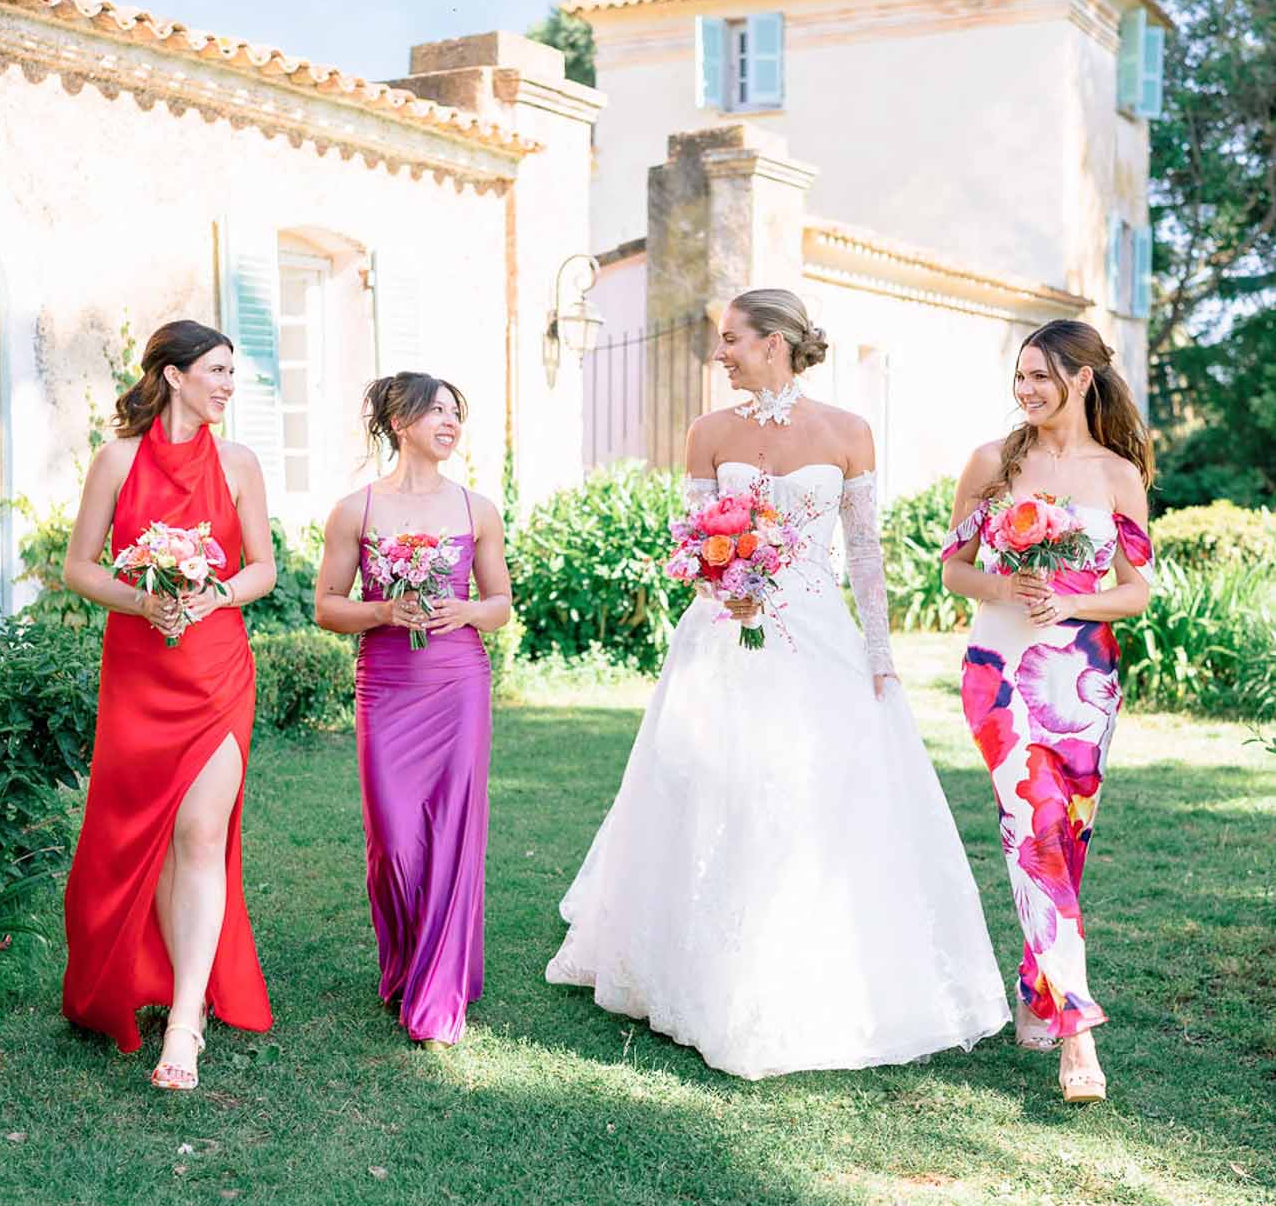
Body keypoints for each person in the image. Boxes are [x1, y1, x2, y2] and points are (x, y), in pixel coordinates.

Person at [547, 288, 1010, 1080]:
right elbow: (692, 542)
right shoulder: (709, 431)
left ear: (775, 342)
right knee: (707, 779)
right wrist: (719, 588)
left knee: (813, 788)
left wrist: (877, 652)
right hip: (724, 633)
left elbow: (862, 551)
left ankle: (805, 956)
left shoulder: (848, 432)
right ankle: (692, 960)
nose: (719, 352)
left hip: (816, 631)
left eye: (731, 338)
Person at [940, 320, 1154, 1105]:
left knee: (1064, 838)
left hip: (1084, 677)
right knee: (1032, 830)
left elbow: (1134, 590)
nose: (1026, 391)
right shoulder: (993, 464)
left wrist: (1068, 597)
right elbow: (954, 569)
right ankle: (1076, 1033)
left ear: (1082, 379)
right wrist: (1004, 587)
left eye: (1040, 377)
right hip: (998, 671)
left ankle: (1039, 988)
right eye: (1019, 377)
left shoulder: (1117, 476)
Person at [62, 320, 276, 1088]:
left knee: (197, 831)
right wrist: (141, 601)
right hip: (138, 672)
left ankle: (185, 1023)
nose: (226, 384)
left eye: (230, 373)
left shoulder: (240, 462)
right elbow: (78, 569)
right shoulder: (116, 460)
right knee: (150, 828)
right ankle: (156, 979)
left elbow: (263, 569)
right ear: (174, 374)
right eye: (216, 370)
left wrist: (209, 594)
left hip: (216, 670)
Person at [315, 373, 511, 1049]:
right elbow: (327, 606)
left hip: (457, 683)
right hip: (387, 684)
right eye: (436, 410)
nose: (450, 421)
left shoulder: (477, 509)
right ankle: (405, 963)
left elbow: (500, 603)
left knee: (452, 832)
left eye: (457, 411)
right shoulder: (355, 511)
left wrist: (466, 611)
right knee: (394, 841)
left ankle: (439, 992)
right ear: (399, 422)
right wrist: (381, 610)